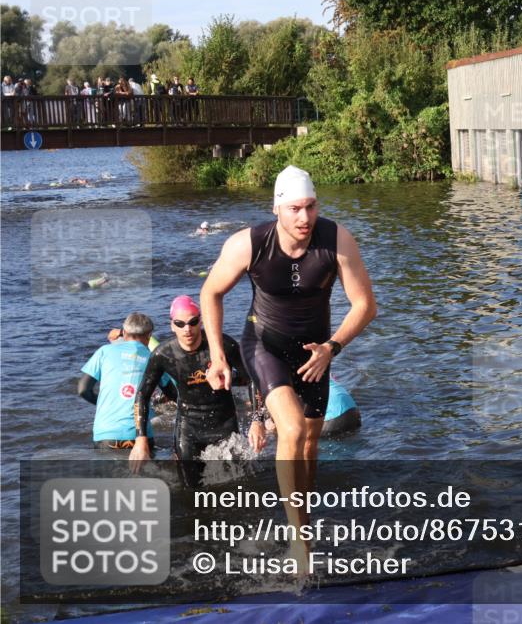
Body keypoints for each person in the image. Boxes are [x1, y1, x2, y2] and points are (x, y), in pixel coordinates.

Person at [200, 165, 376, 569]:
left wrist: (333, 347)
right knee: (292, 430)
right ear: (277, 208)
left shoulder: (337, 240)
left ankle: (304, 521)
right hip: (265, 344)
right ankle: (300, 544)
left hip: (316, 352)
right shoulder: (249, 244)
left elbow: (365, 305)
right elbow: (210, 292)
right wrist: (217, 355)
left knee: (311, 443)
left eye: (311, 207)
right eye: (295, 208)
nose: (304, 218)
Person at [129, 295, 266, 487]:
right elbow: (142, 394)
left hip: (225, 424)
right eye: (180, 323)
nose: (187, 329)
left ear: (201, 321)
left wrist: (257, 420)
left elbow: (253, 378)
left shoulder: (222, 345)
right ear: (172, 326)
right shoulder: (163, 354)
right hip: (189, 427)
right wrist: (140, 439)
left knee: (235, 487)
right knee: (191, 489)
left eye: (193, 322)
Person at [79, 312, 170, 450]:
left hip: (106, 435)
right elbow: (173, 393)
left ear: (124, 333)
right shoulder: (155, 358)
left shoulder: (104, 351)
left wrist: (107, 403)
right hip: (140, 436)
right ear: (149, 336)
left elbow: (83, 390)